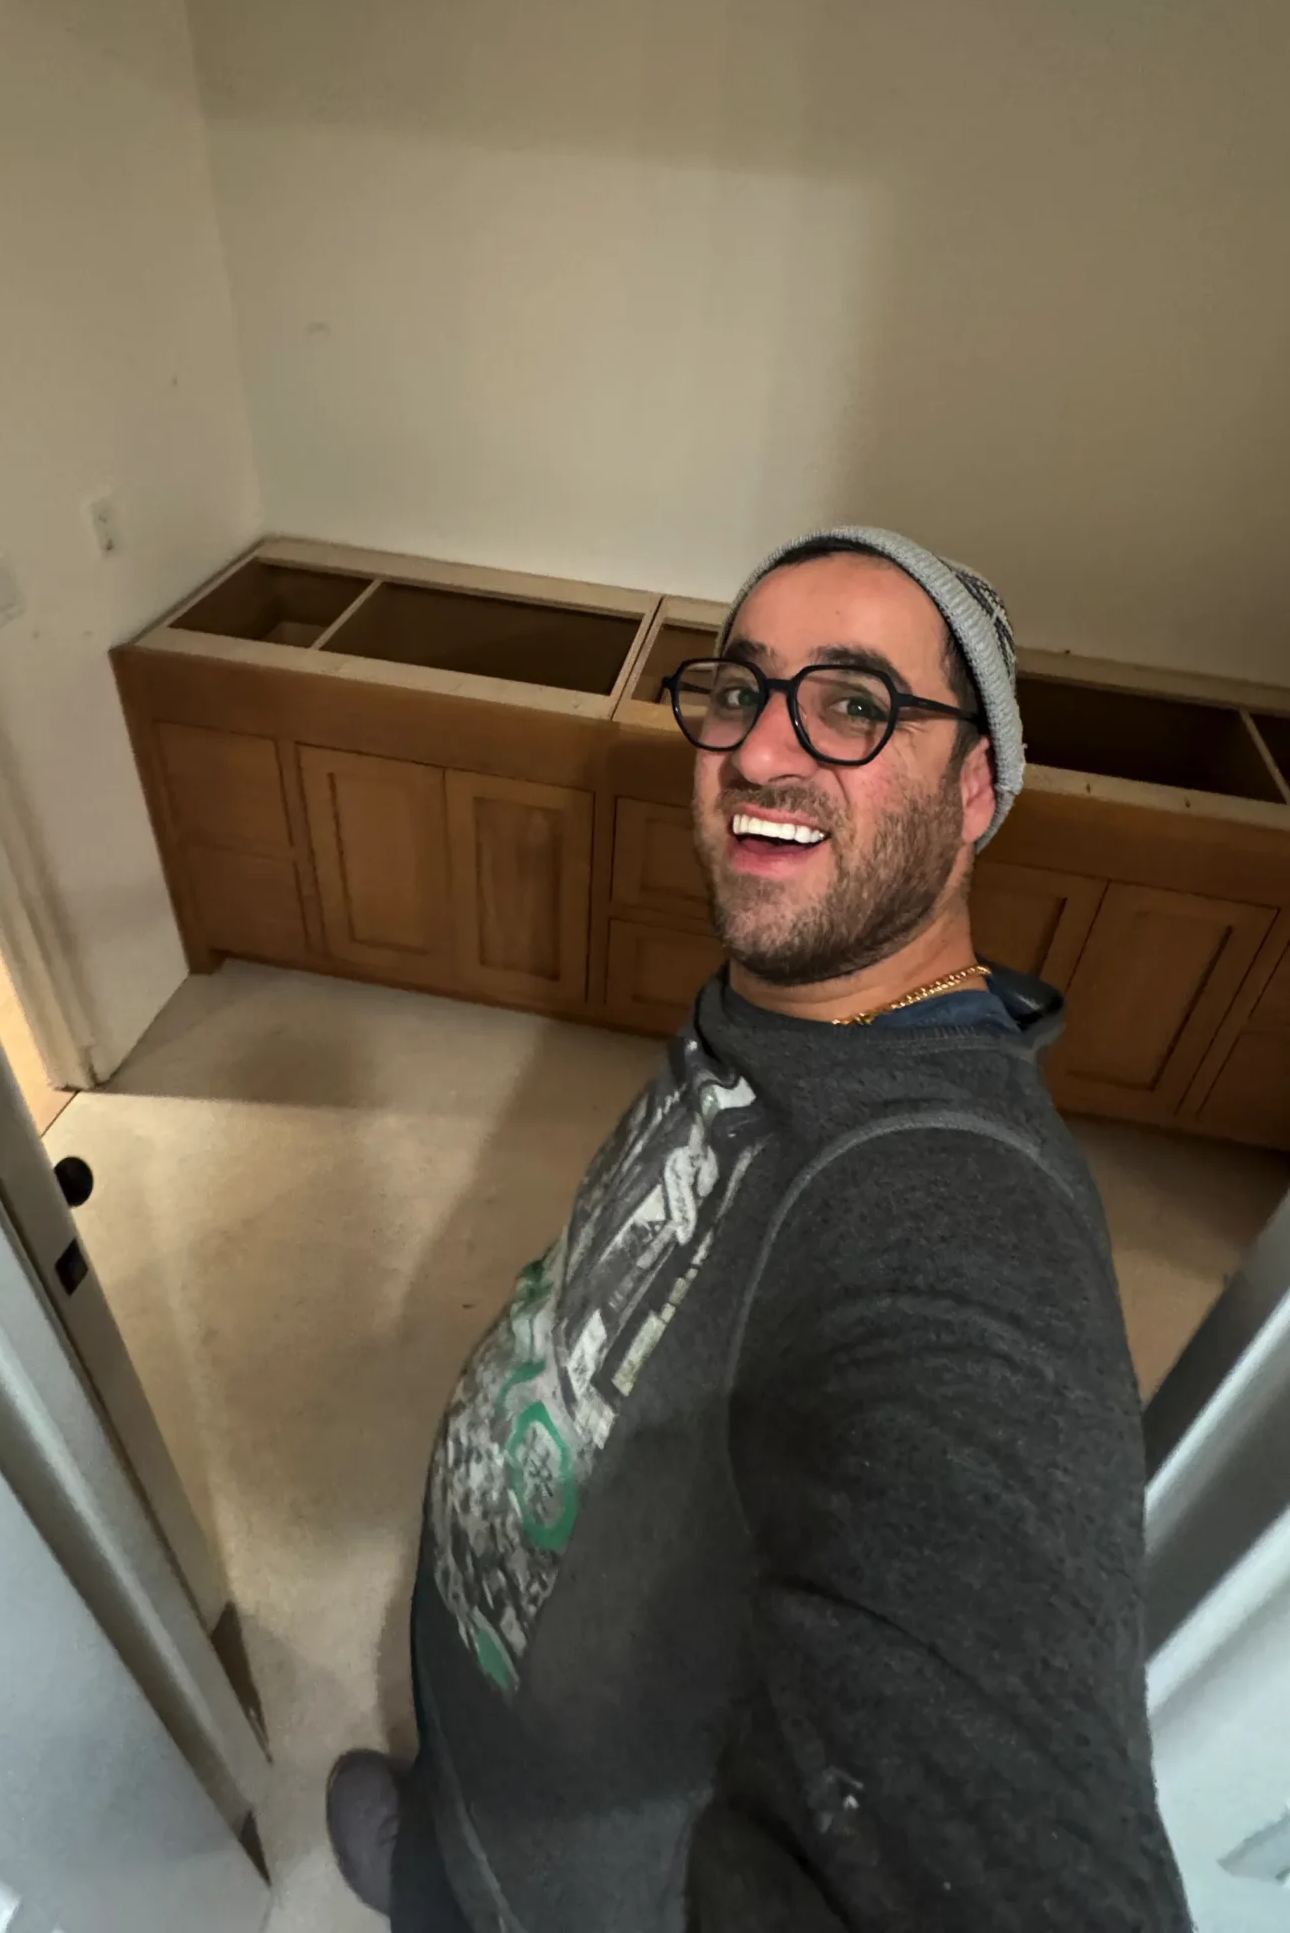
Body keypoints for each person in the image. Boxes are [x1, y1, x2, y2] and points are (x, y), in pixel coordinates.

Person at [327, 525, 1190, 1930]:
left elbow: (992, 1796)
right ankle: (429, 1836)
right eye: (741, 689)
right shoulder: (787, 1006)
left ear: (978, 790)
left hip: (562, 1890)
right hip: (499, 1743)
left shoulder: (955, 1210)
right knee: (423, 1832)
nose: (763, 754)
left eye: (854, 705)